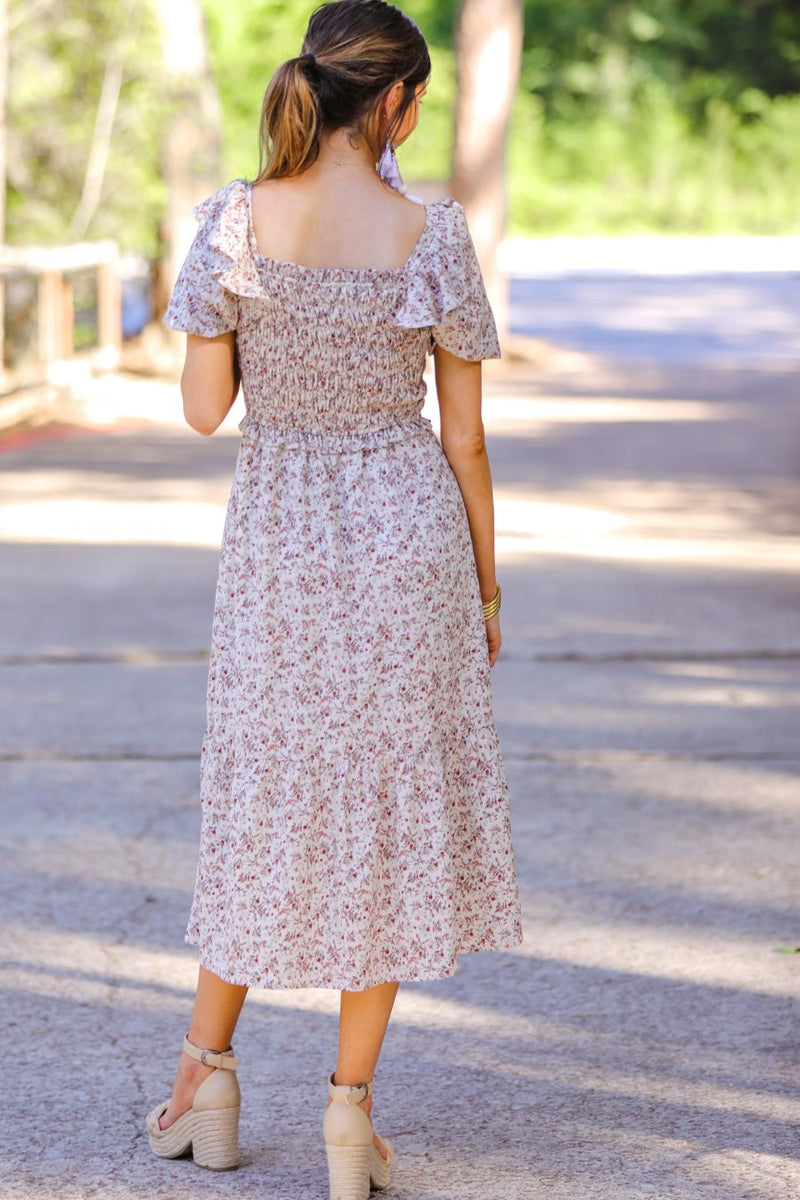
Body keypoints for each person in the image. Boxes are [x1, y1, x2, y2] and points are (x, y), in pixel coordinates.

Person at [145, 2, 523, 1196]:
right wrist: (484, 587)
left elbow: (202, 410)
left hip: (281, 550)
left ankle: (205, 1080)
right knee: (386, 809)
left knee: (261, 795)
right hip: (409, 538)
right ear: (398, 103)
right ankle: (348, 1116)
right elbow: (464, 441)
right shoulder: (433, 233)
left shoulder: (235, 222)